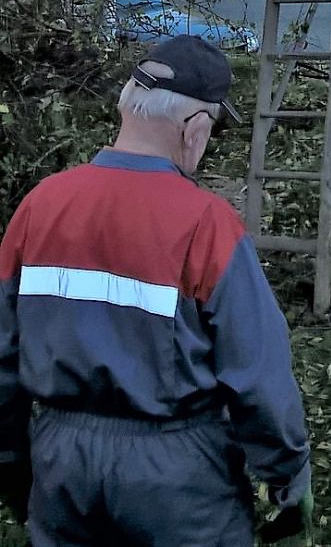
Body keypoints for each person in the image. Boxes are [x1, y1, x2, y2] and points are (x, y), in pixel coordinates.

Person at [0, 36, 312, 547]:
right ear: (193, 129)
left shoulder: (40, 207)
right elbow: (258, 371)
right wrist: (287, 477)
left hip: (60, 465)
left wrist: (11, 457)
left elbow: (2, 350)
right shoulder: (206, 224)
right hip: (175, 475)